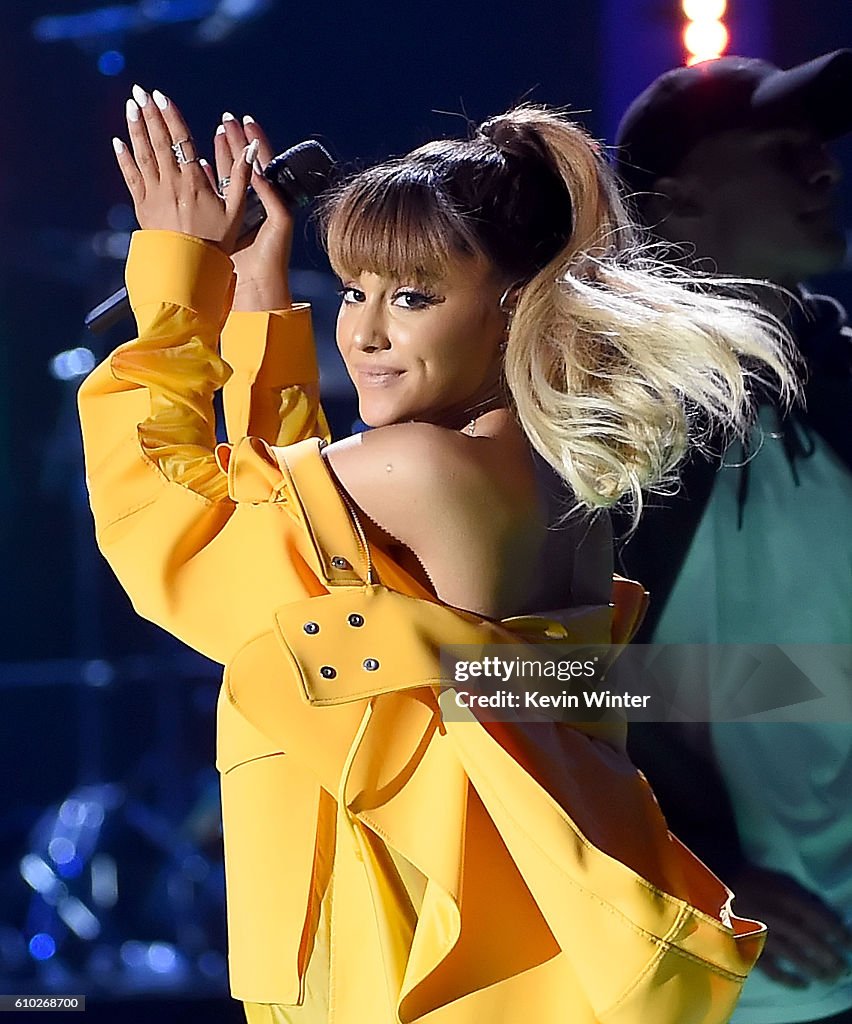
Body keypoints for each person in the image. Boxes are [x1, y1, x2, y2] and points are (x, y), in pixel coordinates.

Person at [79, 84, 794, 1023]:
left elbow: (172, 534)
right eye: (352, 292)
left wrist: (176, 287)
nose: (364, 332)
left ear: (514, 304)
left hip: (409, 965)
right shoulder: (539, 478)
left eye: (411, 297)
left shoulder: (414, 467)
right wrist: (257, 295)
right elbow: (312, 549)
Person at [614, 52, 852, 1024]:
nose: (826, 174)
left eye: (822, 151)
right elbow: (494, 683)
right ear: (679, 204)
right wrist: (690, 868)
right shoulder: (590, 428)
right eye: (784, 151)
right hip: (692, 986)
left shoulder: (840, 396)